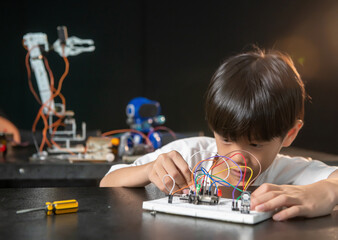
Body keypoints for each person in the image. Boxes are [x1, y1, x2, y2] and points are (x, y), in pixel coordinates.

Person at [100, 48, 338, 221]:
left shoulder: (285, 173)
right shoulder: (189, 154)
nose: (236, 157)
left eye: (254, 144)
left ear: (289, 134)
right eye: (226, 139)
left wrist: (327, 191)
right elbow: (107, 181)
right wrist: (147, 170)